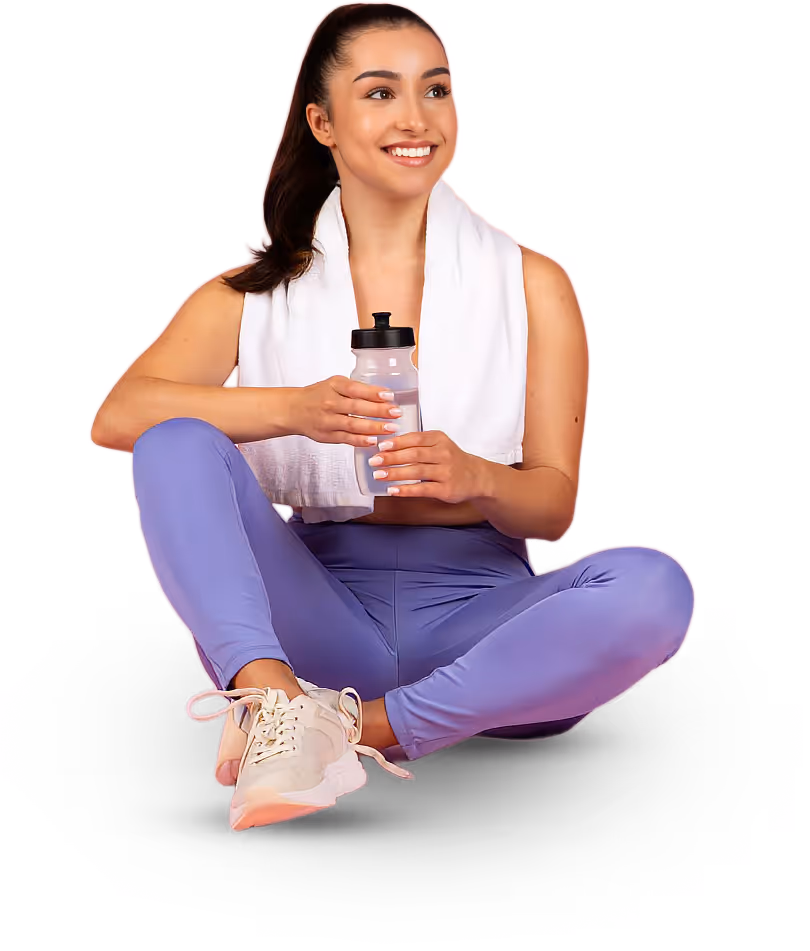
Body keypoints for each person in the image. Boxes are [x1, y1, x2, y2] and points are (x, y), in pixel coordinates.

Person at [90, 1, 696, 834]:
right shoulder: (251, 295)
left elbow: (553, 506)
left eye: (436, 89)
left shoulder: (533, 285)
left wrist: (479, 477)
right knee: (174, 442)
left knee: (654, 586)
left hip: (486, 641)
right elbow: (121, 415)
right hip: (317, 622)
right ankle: (271, 702)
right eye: (380, 93)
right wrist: (291, 410)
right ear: (323, 122)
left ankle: (341, 730)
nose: (416, 119)